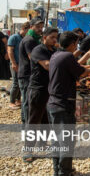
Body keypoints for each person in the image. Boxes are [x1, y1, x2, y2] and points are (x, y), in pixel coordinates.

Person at [47, 31, 90, 176]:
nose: (77, 46)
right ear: (72, 44)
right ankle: (65, 172)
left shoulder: (56, 54)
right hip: (63, 105)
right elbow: (81, 72)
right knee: (67, 141)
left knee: (57, 140)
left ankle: (58, 170)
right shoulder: (68, 56)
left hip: (52, 103)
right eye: (76, 43)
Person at [24, 27, 58, 163]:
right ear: (44, 37)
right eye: (52, 37)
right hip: (37, 89)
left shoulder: (54, 51)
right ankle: (27, 150)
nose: (55, 40)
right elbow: (47, 65)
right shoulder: (38, 50)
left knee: (46, 120)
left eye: (56, 37)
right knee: (33, 121)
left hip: (50, 90)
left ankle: (42, 144)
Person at [18, 17, 44, 124]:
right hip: (26, 74)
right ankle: (26, 123)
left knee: (27, 100)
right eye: (37, 27)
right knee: (27, 101)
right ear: (31, 27)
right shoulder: (30, 40)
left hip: (29, 74)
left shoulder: (35, 39)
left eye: (41, 27)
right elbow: (32, 58)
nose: (40, 29)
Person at [7, 22, 29, 109]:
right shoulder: (14, 37)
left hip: (22, 64)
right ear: (24, 29)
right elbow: (10, 51)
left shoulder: (25, 38)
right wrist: (13, 63)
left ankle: (18, 100)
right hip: (15, 63)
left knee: (21, 83)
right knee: (16, 83)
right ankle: (11, 101)